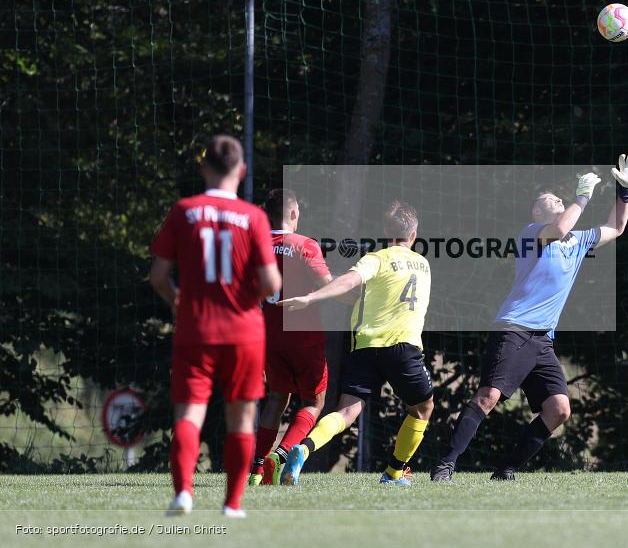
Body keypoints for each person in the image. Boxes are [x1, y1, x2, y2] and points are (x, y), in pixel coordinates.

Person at [430, 152, 628, 481]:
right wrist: (583, 197)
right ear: (536, 212)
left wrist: (625, 190)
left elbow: (616, 227)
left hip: (542, 340)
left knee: (559, 409)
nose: (555, 199)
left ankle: (506, 470)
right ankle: (446, 464)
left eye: (559, 198)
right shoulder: (533, 234)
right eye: (548, 198)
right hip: (514, 330)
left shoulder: (578, 241)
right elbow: (559, 227)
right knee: (488, 397)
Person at [149, 135, 281, 517]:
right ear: (241, 171)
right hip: (244, 333)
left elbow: (158, 276)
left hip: (196, 328)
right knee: (240, 418)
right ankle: (233, 504)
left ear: (204, 167)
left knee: (189, 413)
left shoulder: (183, 211)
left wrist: (179, 304)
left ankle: (183, 494)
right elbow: (271, 283)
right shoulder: (255, 218)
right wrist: (244, 301)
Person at [277, 200, 433, 486]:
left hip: (365, 347)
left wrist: (312, 296)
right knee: (423, 408)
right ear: (414, 234)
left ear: (386, 231)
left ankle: (304, 448)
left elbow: (349, 284)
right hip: (404, 348)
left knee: (346, 411)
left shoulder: (376, 259)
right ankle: (394, 473)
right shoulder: (423, 265)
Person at [248, 189, 333, 486]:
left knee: (276, 397)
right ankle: (280, 455)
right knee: (313, 400)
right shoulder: (305, 245)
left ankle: (257, 470)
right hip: (304, 338)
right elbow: (327, 285)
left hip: (269, 336)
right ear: (294, 213)